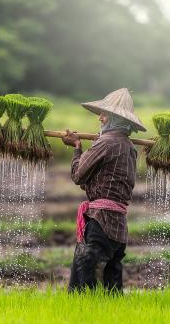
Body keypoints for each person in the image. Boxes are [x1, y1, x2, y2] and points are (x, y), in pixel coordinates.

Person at [61, 88, 146, 293]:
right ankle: (109, 314)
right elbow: (100, 180)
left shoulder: (105, 143)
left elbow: (78, 176)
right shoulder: (128, 147)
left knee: (84, 272)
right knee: (111, 279)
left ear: (114, 119)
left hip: (101, 221)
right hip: (118, 225)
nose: (100, 118)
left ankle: (85, 312)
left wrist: (76, 147)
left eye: (104, 114)